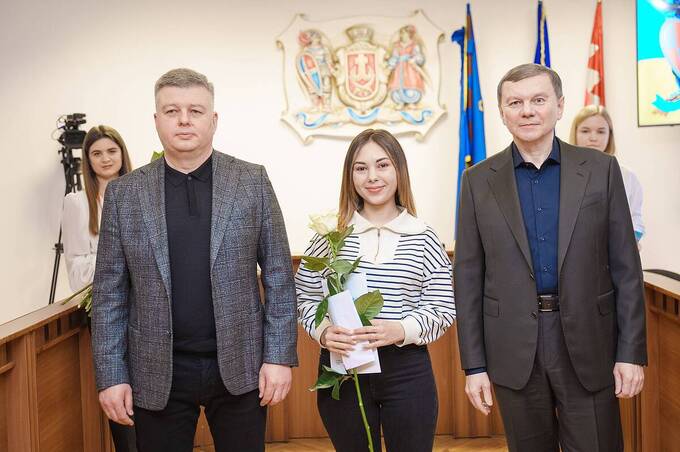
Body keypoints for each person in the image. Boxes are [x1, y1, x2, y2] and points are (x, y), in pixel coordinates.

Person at [91, 68, 298, 452]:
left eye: (195, 110)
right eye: (172, 111)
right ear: (156, 121)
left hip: (242, 366)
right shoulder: (125, 195)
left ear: (213, 120)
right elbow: (109, 297)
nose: (184, 120)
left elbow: (279, 276)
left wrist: (279, 357)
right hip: (156, 371)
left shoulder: (251, 181)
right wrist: (111, 376)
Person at [455, 63, 647, 452]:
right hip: (513, 348)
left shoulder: (601, 170)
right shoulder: (477, 181)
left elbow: (627, 269)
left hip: (589, 344)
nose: (527, 110)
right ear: (502, 112)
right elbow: (469, 278)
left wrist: (630, 353)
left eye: (538, 100)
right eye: (515, 102)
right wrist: (474, 366)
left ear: (559, 107)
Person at [296, 129, 455, 452]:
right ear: (350, 176)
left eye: (382, 165)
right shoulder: (331, 237)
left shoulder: (423, 236)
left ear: (399, 170)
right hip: (344, 369)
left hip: (407, 370)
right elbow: (305, 297)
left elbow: (442, 308)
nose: (372, 177)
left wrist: (401, 328)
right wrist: (324, 333)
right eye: (361, 168)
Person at [61, 125, 136, 451]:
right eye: (96, 153)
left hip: (147, 308)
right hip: (106, 310)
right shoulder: (77, 203)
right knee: (118, 389)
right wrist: (118, 258)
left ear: (122, 154)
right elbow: (76, 269)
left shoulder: (140, 193)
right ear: (87, 161)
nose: (105, 159)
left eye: (111, 151)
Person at [570, 105, 645, 242]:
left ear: (609, 135)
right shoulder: (562, 173)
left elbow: (636, 222)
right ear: (575, 133)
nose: (593, 138)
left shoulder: (627, 176)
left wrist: (630, 243)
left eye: (600, 131)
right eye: (585, 131)